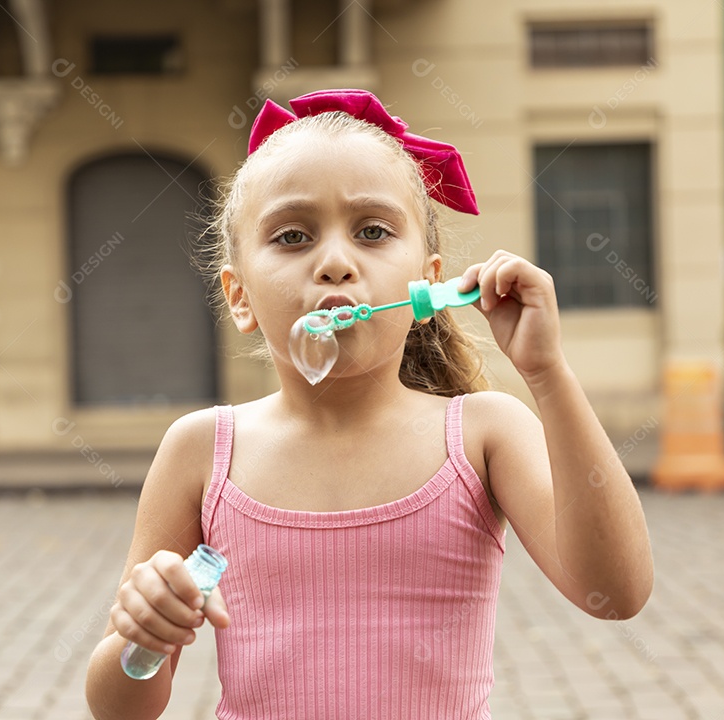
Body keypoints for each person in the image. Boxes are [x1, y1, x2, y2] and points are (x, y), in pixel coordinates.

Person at [85, 89, 653, 720]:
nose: (335, 263)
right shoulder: (201, 450)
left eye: (373, 231)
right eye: (293, 236)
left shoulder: (482, 433)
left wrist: (547, 374)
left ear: (429, 283)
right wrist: (144, 635)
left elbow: (615, 593)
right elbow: (118, 709)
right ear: (239, 296)